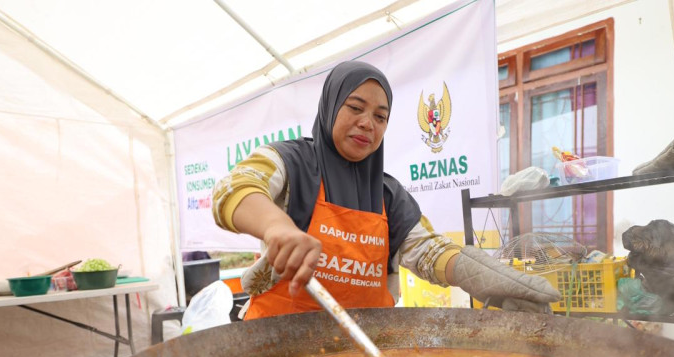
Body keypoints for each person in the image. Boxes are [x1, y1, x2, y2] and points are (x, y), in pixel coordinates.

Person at [212, 60, 560, 320]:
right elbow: (234, 189)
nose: (368, 123)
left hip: (366, 351)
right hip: (278, 349)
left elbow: (428, 251)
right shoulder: (292, 163)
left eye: (381, 117)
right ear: (330, 105)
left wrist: (479, 274)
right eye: (355, 108)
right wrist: (277, 227)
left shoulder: (389, 194)